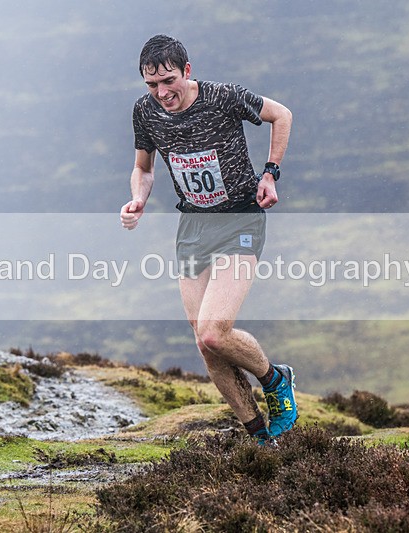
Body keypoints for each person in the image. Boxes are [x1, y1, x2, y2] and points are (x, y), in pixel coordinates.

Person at [120, 34, 296, 444]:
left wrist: (271, 172)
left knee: (214, 331)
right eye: (152, 85)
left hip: (239, 221)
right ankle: (260, 438)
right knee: (207, 347)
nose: (162, 93)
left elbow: (282, 114)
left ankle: (275, 379)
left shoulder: (223, 97)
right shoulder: (145, 112)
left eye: (168, 81)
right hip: (192, 227)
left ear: (187, 71)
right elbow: (143, 168)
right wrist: (137, 199)